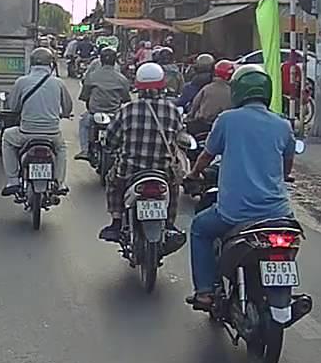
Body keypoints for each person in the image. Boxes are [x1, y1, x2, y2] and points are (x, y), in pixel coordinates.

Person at [184, 64, 296, 311]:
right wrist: (283, 177)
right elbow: (287, 165)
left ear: (237, 91)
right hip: (279, 214)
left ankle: (204, 292)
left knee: (200, 229)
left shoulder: (227, 120)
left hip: (234, 213)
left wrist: (193, 173)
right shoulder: (283, 124)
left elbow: (207, 155)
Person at [99, 62, 185, 241]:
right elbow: (179, 137)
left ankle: (116, 222)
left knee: (112, 181)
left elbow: (111, 140)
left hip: (130, 171)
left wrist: (112, 147)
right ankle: (170, 224)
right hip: (163, 171)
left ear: (138, 86)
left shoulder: (127, 110)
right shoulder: (173, 111)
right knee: (174, 186)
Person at [1, 47, 73, 196]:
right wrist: (64, 114)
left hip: (26, 133)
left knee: (7, 137)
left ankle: (13, 180)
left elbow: (13, 107)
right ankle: (60, 183)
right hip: (52, 134)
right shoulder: (58, 83)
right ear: (51, 64)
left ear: (31, 63)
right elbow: (67, 107)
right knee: (61, 148)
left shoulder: (22, 82)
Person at [75, 46, 132, 161]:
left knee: (83, 123)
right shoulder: (122, 79)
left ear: (100, 60)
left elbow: (84, 96)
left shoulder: (92, 76)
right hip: (114, 114)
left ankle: (85, 150)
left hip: (94, 113)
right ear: (115, 61)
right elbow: (126, 98)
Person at [186, 58, 235, 134]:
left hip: (202, 126)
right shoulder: (233, 92)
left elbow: (194, 107)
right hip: (225, 127)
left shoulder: (206, 89)